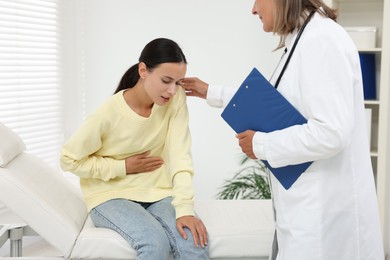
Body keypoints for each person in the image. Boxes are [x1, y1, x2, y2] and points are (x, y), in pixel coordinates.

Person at [181, 1, 384, 260]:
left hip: (322, 218)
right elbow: (277, 106)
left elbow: (332, 132)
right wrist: (211, 92)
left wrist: (260, 145)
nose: (253, 10)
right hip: (304, 210)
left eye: (257, 0)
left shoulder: (321, 40)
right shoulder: (302, 40)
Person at [60, 38, 209, 260]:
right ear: (143, 70)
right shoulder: (109, 112)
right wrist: (123, 167)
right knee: (153, 242)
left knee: (194, 244)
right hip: (110, 195)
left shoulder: (175, 101)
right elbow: (68, 159)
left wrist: (185, 209)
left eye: (178, 83)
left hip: (159, 192)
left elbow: (180, 155)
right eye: (166, 80)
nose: (172, 90)